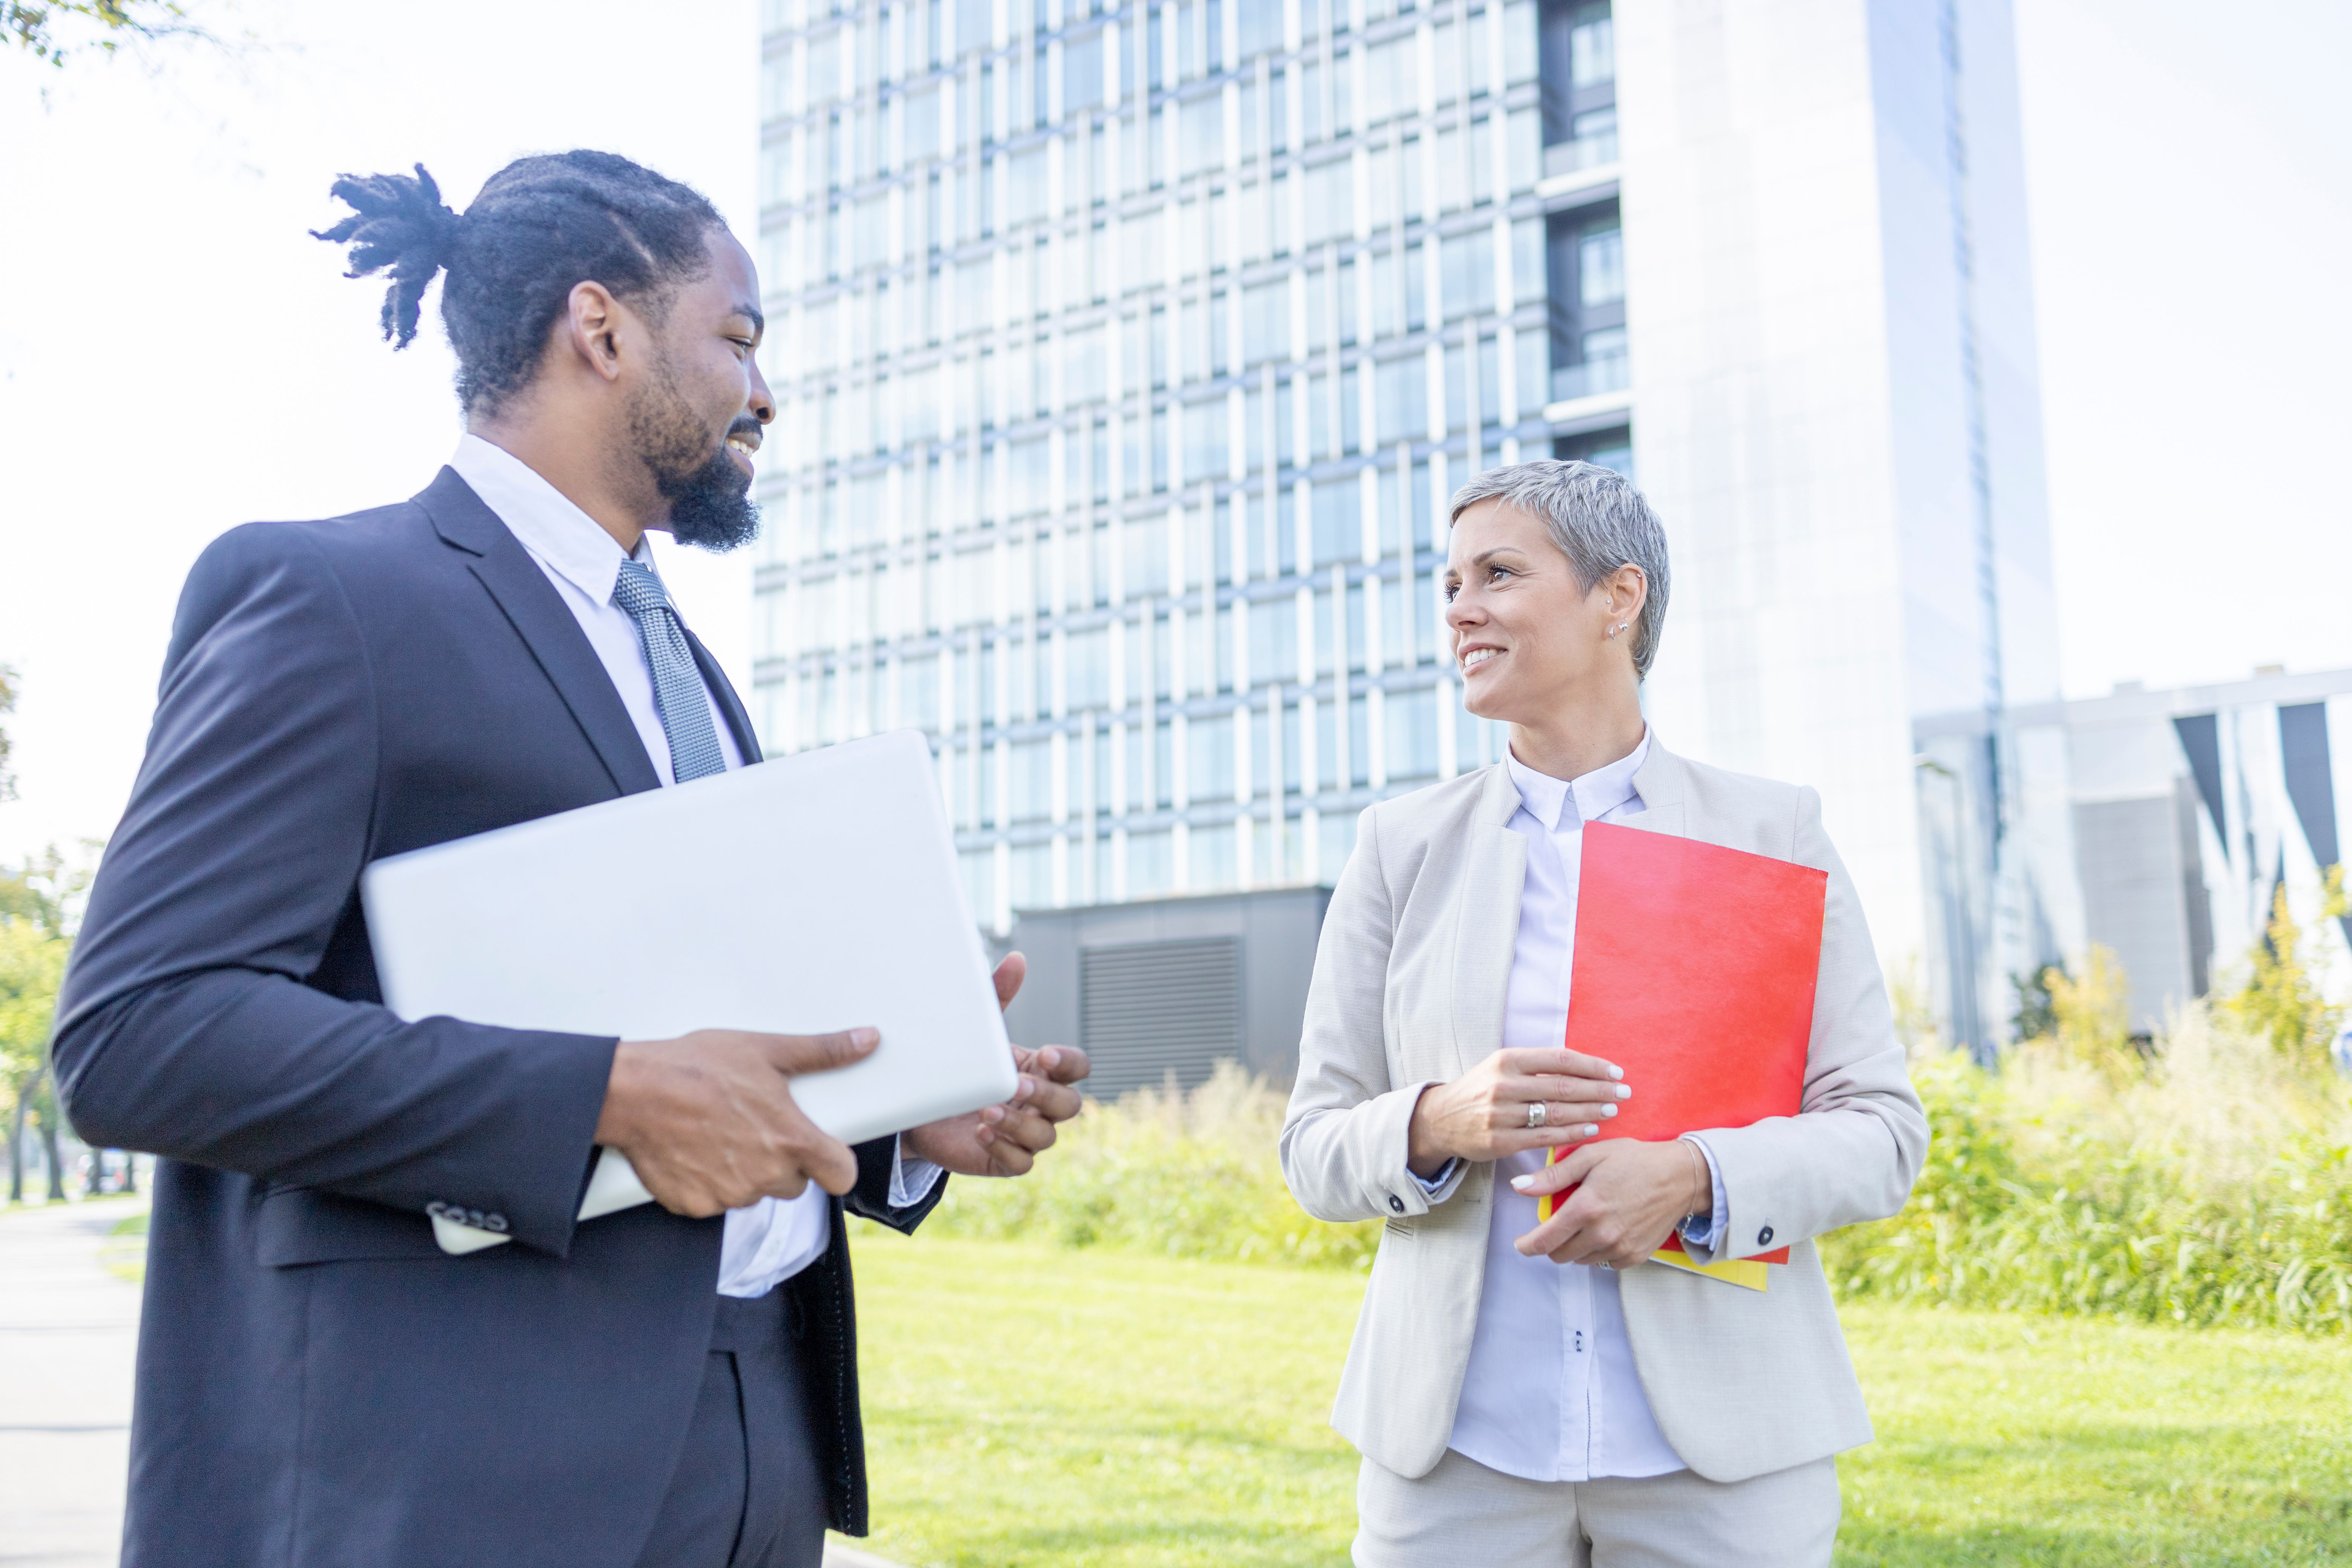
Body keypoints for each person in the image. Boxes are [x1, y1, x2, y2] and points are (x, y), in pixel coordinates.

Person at [52, 151, 1088, 1568]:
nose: (764, 394)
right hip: (447, 1473)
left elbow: (690, 1034)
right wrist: (605, 1093)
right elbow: (138, 1037)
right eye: (738, 337)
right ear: (600, 329)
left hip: (745, 1450)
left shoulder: (691, 671)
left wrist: (897, 1118)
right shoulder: (330, 597)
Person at [1279, 460, 1928, 1567]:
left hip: (1722, 1465)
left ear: (1615, 599)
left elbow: (1883, 1134)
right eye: (1449, 585)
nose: (1459, 611)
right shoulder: (1400, 849)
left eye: (1497, 574)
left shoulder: (1771, 833)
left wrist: (1697, 1179)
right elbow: (1312, 1147)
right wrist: (1439, 1120)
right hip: (1456, 1463)